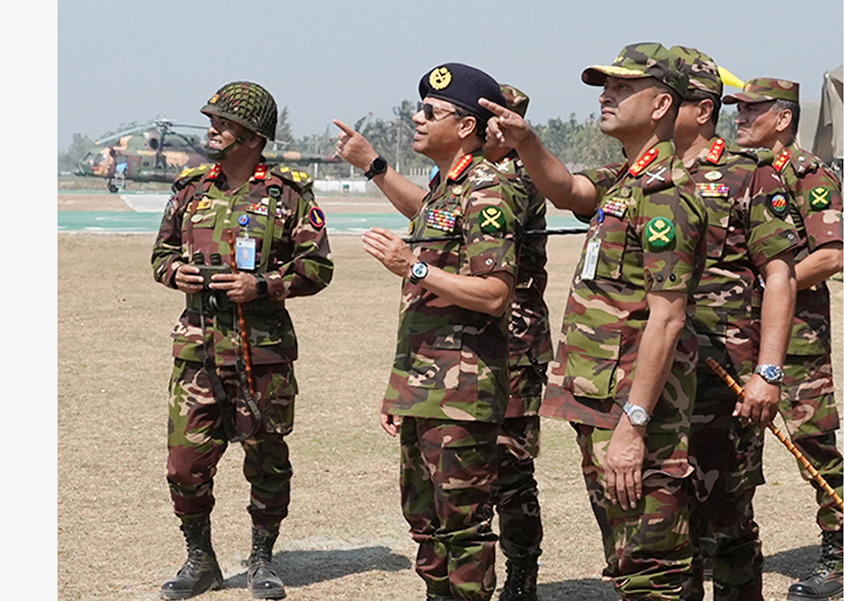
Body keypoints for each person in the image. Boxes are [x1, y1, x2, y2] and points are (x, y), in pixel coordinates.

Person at [481, 43, 708, 600]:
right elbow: (566, 191)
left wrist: (634, 425)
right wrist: (526, 140)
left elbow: (667, 318)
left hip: (635, 409)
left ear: (660, 105)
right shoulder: (626, 177)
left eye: (622, 87)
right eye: (606, 86)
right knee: (627, 559)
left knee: (653, 568)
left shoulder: (665, 195)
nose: (607, 96)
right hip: (599, 399)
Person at [335, 83, 550, 601]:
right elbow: (428, 221)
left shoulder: (503, 184)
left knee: (496, 486)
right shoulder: (450, 184)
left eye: (431, 111)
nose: (418, 117)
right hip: (434, 370)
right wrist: (401, 387)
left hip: (491, 360)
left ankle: (521, 573)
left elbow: (492, 291)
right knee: (428, 514)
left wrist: (412, 265)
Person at [151, 81, 334, 600]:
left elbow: (318, 268)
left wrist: (265, 286)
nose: (212, 129)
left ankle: (262, 560)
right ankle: (200, 560)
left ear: (253, 137)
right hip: (198, 350)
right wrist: (175, 273)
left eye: (223, 123)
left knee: (267, 460)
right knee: (185, 465)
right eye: (213, 121)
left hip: (262, 353)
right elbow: (161, 255)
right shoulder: (190, 190)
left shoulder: (288, 194)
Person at [669, 47, 800, 600]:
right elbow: (570, 193)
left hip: (723, 376)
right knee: (668, 525)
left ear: (700, 110)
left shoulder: (749, 173)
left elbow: (780, 275)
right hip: (656, 376)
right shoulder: (642, 174)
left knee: (726, 521)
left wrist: (768, 373)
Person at [723, 78, 844, 601]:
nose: (740, 117)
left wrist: (766, 288)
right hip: (743, 337)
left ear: (783, 118)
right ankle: (730, 550)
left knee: (813, 445)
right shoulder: (743, 172)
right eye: (738, 109)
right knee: (736, 446)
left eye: (753, 110)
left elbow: (832, 255)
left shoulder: (807, 172)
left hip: (796, 340)